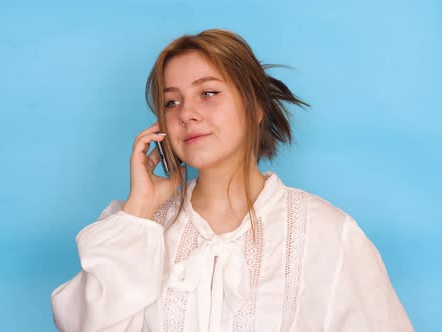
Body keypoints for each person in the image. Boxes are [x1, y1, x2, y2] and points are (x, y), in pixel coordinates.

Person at [50, 29, 414, 332]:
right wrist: (140, 210)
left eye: (208, 93)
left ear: (255, 107)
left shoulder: (327, 233)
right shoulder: (136, 231)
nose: (187, 114)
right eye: (172, 102)